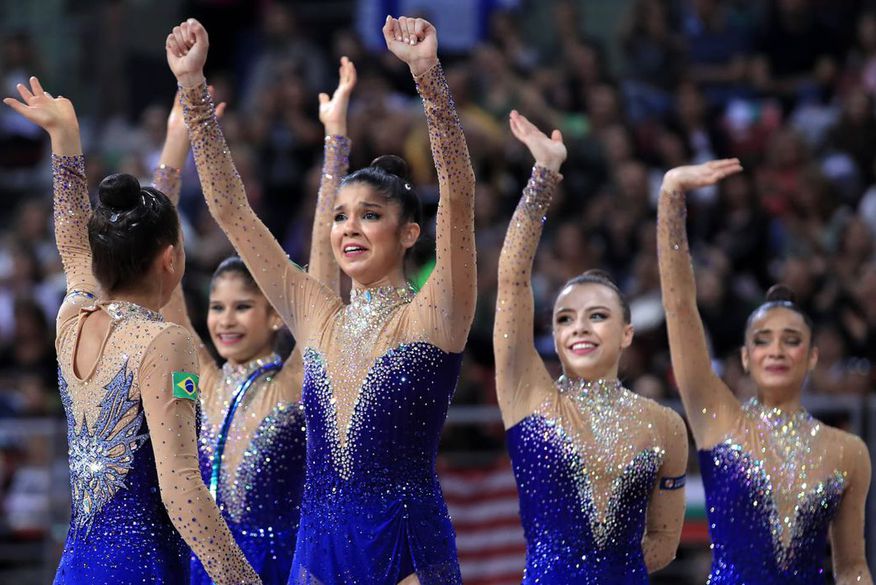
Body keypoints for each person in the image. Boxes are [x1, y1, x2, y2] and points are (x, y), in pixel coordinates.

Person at [166, 15, 475, 585]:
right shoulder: (318, 315)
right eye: (339, 216)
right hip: (317, 550)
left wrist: (428, 76)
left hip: (404, 547)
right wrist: (192, 89)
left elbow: (457, 192)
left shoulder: (434, 312)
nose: (349, 229)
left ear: (410, 233)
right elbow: (231, 210)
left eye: (371, 216)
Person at [3, 77, 260, 584]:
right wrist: (239, 577)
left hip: (76, 568)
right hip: (139, 568)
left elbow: (75, 249)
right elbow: (181, 480)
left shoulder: (71, 318)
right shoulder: (164, 341)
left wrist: (65, 141)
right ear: (170, 259)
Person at [157, 58, 353, 584]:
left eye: (242, 306)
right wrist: (175, 150)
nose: (225, 320)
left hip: (279, 566)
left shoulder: (293, 381)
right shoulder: (198, 379)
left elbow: (324, 277)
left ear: (274, 318)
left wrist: (335, 142)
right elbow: (162, 282)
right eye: (218, 307)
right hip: (204, 567)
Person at [657, 160, 873, 584]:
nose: (776, 349)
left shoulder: (848, 451)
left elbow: (851, 567)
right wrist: (671, 199)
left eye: (791, 340)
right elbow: (680, 307)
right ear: (744, 357)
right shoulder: (718, 421)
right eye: (763, 340)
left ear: (811, 358)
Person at [495, 110, 687, 583]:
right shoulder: (530, 397)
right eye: (565, 319)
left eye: (597, 315)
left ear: (626, 333)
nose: (579, 328)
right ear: (555, 337)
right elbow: (511, 284)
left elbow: (663, 540)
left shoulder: (664, 425)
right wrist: (543, 176)